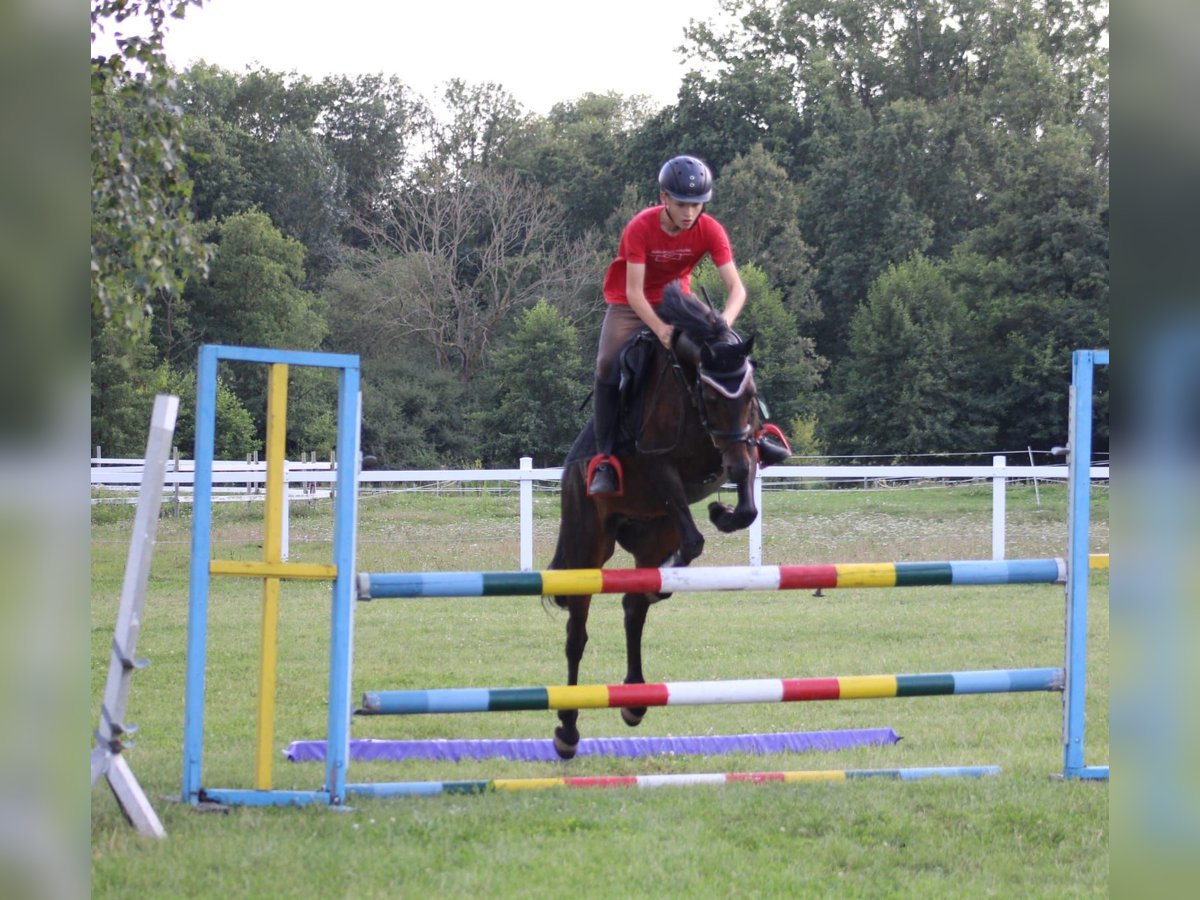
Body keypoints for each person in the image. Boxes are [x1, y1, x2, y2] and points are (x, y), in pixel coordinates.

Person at [586, 154, 749, 496]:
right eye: (682, 204)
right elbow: (634, 292)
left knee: (732, 351)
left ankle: (760, 434)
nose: (690, 213)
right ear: (664, 199)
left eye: (697, 205)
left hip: (678, 299)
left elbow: (737, 290)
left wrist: (723, 326)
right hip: (630, 303)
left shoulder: (710, 229)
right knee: (606, 365)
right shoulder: (640, 227)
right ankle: (605, 458)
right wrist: (660, 330)